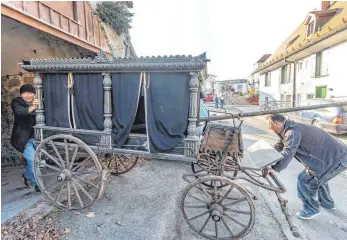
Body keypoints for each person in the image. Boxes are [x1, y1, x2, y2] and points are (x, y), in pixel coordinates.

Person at [266, 114, 347, 219]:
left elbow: (288, 151)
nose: (269, 127)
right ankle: (328, 204)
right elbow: (279, 146)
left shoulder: (292, 131)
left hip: (337, 159)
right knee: (319, 177)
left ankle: (311, 209)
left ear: (276, 123)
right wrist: (264, 157)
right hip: (335, 157)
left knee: (305, 179)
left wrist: (275, 168)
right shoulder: (288, 129)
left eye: (269, 124)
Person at [11, 84, 41, 192]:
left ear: (34, 94)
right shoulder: (17, 102)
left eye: (30, 93)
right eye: (24, 93)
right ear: (21, 95)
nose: (27, 95)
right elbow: (20, 111)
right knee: (34, 159)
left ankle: (27, 175)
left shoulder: (39, 100)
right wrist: (34, 106)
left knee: (34, 160)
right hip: (23, 138)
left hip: (37, 136)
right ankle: (38, 183)